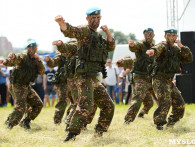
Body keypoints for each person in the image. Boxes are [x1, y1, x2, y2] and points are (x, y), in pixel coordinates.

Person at [55, 6, 115, 142]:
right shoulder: (84, 30)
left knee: (108, 105)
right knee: (85, 106)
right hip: (83, 77)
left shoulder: (98, 36)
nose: (95, 20)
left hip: (93, 77)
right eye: (93, 18)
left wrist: (108, 32)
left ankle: (99, 132)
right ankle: (71, 135)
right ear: (87, 19)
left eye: (98, 17)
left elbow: (110, 46)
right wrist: (61, 24)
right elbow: (71, 31)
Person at [146, 28, 193, 130]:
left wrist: (181, 46)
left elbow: (189, 58)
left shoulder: (177, 50)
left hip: (169, 81)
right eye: (169, 35)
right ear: (165, 36)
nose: (171, 38)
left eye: (173, 36)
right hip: (159, 79)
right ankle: (159, 124)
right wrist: (152, 51)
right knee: (165, 101)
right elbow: (157, 48)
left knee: (180, 104)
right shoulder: (163, 45)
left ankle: (171, 122)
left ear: (176, 37)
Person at [0, 41, 45, 129]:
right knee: (21, 107)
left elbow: (41, 71)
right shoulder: (24, 55)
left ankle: (25, 121)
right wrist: (11, 58)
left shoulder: (36, 60)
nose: (31, 49)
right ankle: (10, 124)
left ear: (36, 49)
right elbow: (16, 60)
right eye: (29, 47)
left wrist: (39, 61)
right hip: (17, 85)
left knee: (38, 104)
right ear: (27, 48)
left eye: (34, 47)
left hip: (26, 86)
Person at [118, 28, 156, 124]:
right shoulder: (141, 44)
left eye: (150, 34)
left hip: (151, 77)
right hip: (140, 77)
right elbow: (135, 47)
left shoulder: (155, 47)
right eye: (146, 34)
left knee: (150, 102)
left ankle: (142, 113)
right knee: (138, 99)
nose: (148, 36)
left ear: (153, 36)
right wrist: (132, 45)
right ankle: (128, 120)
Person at [45, 39, 77, 125]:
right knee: (62, 101)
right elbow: (53, 63)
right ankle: (57, 120)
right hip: (63, 82)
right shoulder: (62, 56)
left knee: (76, 101)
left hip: (74, 82)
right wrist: (48, 61)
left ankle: (68, 116)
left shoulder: (78, 56)